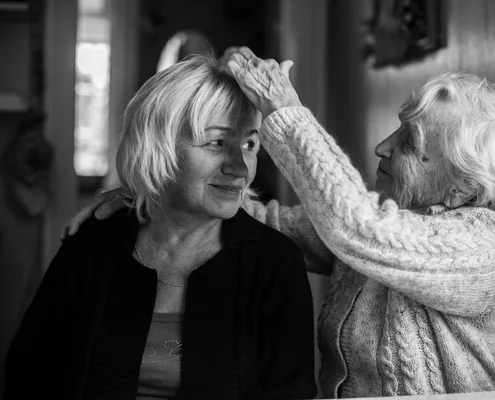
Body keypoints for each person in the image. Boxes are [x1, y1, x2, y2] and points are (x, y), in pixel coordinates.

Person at [63, 47, 495, 398]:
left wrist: (285, 112)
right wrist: (151, 185)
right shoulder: (387, 226)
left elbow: (354, 226)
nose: (383, 147)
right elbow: (264, 218)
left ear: (461, 185)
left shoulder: (492, 244)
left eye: (409, 141)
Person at [4, 54, 316, 400]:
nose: (240, 168)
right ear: (159, 146)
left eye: (249, 145)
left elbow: (291, 394)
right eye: (216, 143)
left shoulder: (276, 263)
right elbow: (28, 377)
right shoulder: (94, 244)